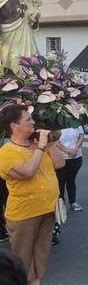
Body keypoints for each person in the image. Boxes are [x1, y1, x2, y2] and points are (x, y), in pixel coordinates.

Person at [0, 104, 65, 285]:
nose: (33, 121)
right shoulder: (6, 152)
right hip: (24, 214)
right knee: (22, 260)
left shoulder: (38, 145)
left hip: (47, 209)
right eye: (28, 119)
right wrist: (40, 148)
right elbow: (28, 172)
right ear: (14, 126)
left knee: (41, 253)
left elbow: (60, 164)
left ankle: (36, 281)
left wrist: (49, 144)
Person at [0, 0, 39, 74]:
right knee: (11, 55)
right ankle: (11, 74)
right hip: (8, 29)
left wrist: (33, 15)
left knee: (25, 53)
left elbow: (26, 9)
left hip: (22, 25)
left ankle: (27, 73)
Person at [57, 125, 85, 211]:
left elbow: (81, 137)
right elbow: (55, 142)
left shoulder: (75, 122)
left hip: (76, 157)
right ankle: (60, 204)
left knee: (71, 180)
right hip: (61, 158)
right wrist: (67, 150)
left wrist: (75, 149)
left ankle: (73, 202)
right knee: (60, 182)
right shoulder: (57, 123)